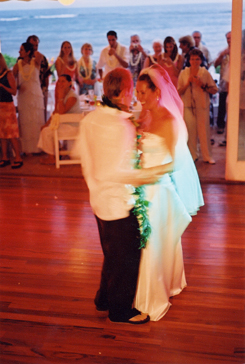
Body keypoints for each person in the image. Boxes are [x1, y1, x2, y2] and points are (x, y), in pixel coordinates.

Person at [72, 68, 173, 324]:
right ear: (125, 92)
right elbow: (118, 171)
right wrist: (151, 174)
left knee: (111, 253)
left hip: (97, 199)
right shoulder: (120, 126)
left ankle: (103, 299)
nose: (133, 96)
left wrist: (93, 184)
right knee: (128, 257)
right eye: (131, 91)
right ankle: (119, 311)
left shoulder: (91, 119)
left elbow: (80, 155)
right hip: (117, 202)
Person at [134, 64, 204, 321]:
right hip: (142, 188)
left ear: (156, 91)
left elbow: (173, 162)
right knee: (156, 241)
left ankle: (153, 300)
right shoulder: (143, 115)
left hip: (158, 190)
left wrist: (146, 174)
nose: (139, 97)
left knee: (153, 242)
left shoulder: (168, 119)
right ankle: (173, 281)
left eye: (143, 92)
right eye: (137, 92)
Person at [178, 48, 218, 163]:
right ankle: (193, 155)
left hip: (202, 106)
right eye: (192, 59)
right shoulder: (183, 73)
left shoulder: (204, 73)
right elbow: (179, 91)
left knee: (204, 132)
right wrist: (187, 83)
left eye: (197, 59)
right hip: (188, 106)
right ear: (189, 60)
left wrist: (203, 85)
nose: (194, 61)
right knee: (190, 132)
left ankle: (207, 156)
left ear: (201, 60)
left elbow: (214, 90)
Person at [37, 74, 82, 165]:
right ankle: (59, 151)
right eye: (59, 81)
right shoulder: (63, 94)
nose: (60, 83)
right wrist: (47, 124)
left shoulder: (72, 96)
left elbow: (61, 112)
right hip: (65, 125)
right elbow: (56, 112)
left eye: (63, 81)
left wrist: (60, 97)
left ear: (70, 83)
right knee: (45, 129)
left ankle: (52, 157)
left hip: (73, 127)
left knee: (47, 132)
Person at [13, 42, 45, 154]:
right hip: (24, 96)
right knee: (25, 122)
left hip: (35, 95)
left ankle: (38, 147)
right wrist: (16, 87)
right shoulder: (17, 65)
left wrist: (32, 47)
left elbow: (39, 54)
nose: (19, 51)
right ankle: (27, 149)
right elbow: (12, 80)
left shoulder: (35, 62)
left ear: (27, 51)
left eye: (21, 49)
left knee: (37, 121)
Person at [0, 54, 23, 169]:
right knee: (2, 134)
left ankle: (18, 157)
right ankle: (5, 157)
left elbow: (14, 91)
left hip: (7, 106)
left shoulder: (8, 74)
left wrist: (2, 86)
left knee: (12, 133)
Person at [27, 35, 50, 121]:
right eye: (33, 45)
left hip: (42, 89)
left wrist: (46, 89)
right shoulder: (24, 59)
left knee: (42, 115)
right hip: (29, 91)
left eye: (36, 45)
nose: (35, 47)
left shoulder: (42, 58)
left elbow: (47, 74)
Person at [214, 31, 231, 135]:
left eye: (231, 38)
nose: (229, 40)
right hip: (223, 84)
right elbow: (215, 65)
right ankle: (220, 127)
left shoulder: (240, 52)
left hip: (234, 85)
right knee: (221, 107)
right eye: (228, 38)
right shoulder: (223, 52)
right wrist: (221, 56)